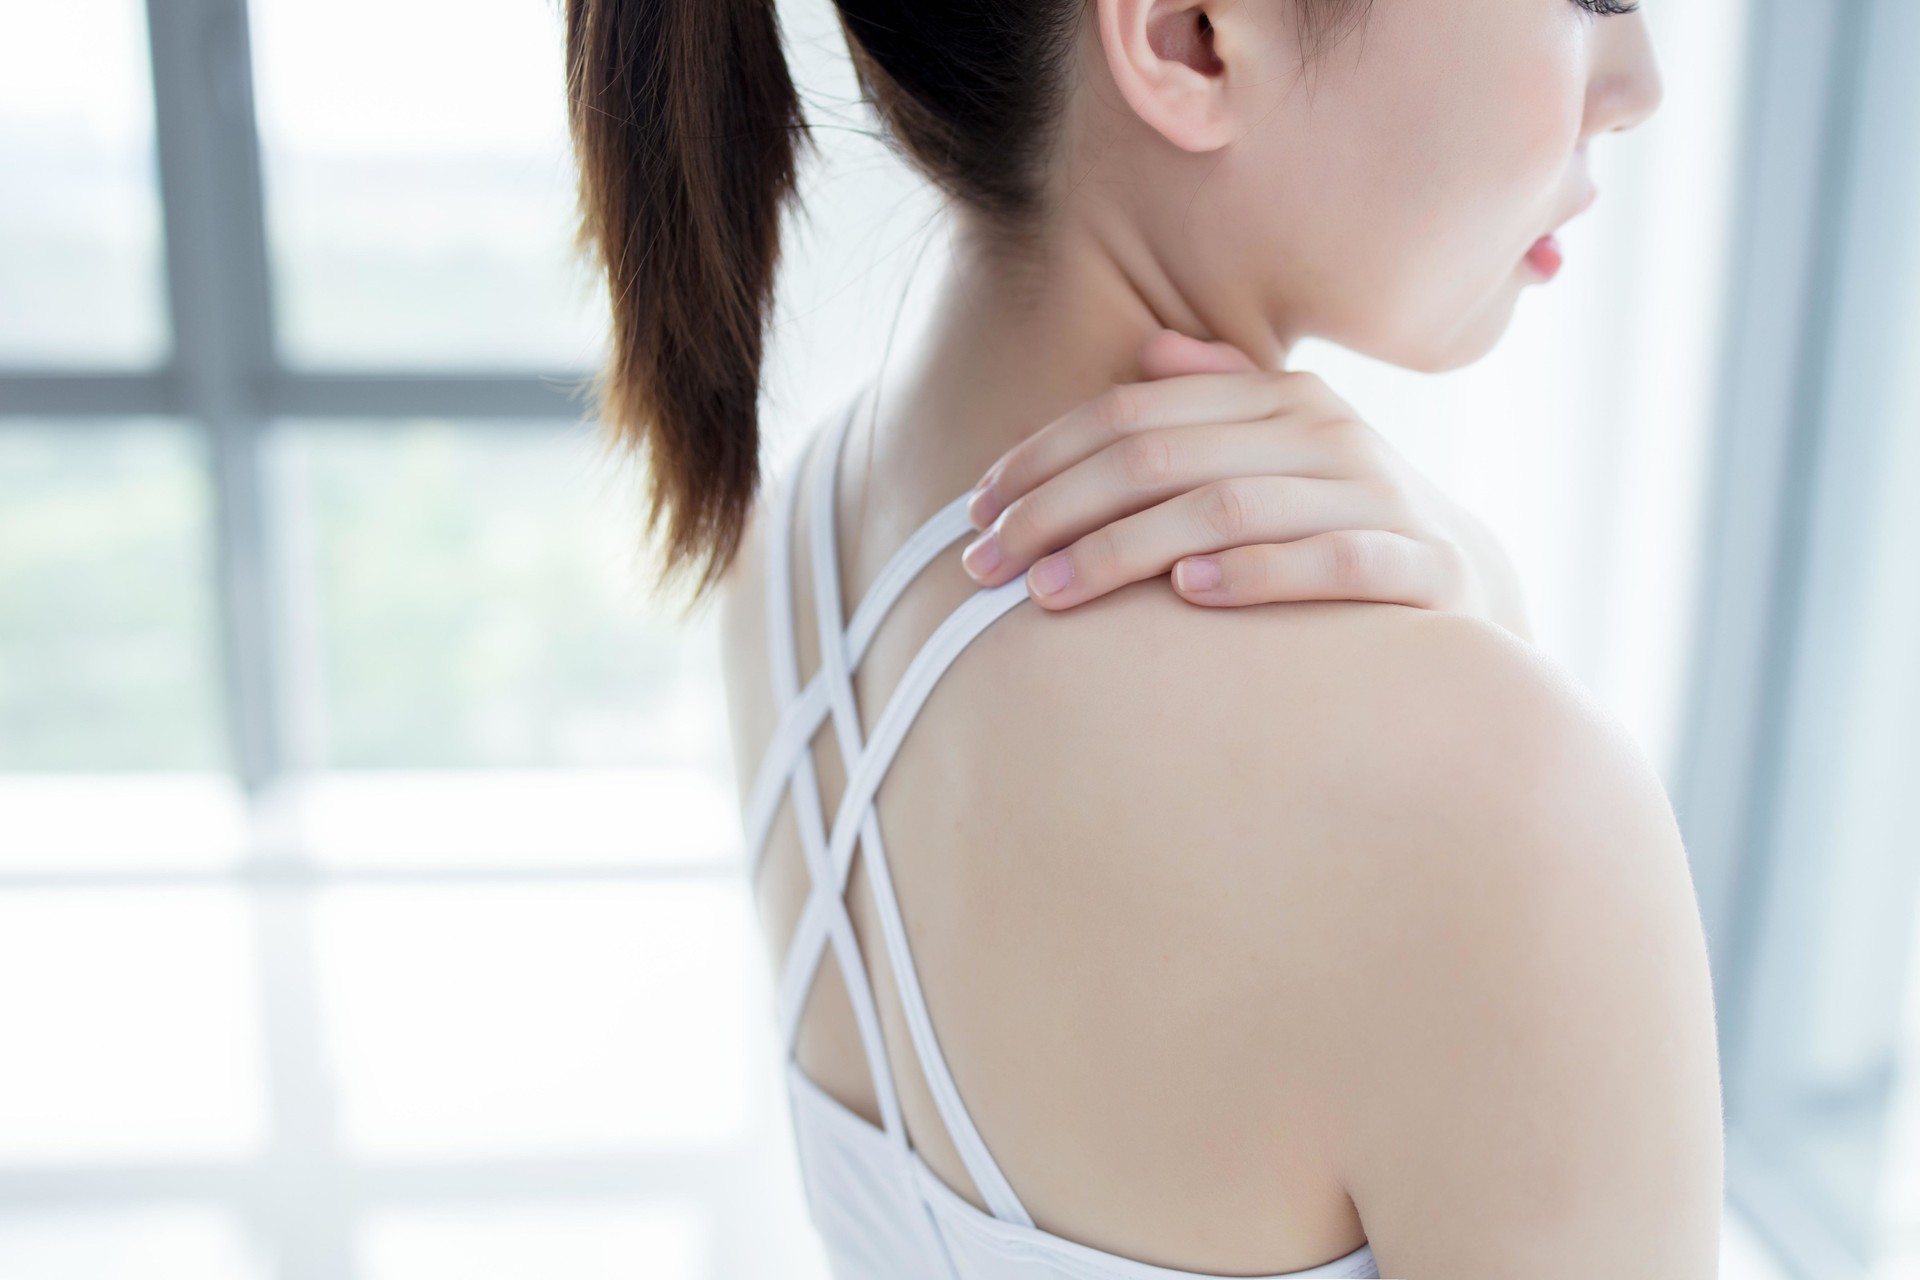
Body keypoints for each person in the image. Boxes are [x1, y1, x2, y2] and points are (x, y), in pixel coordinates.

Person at [564, 0, 1725, 1275]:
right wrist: (1495, 662)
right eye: (1589, 2)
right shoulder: (1496, 816)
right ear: (1189, 38)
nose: (1639, 81)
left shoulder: (789, 549)